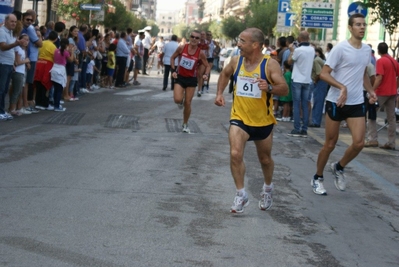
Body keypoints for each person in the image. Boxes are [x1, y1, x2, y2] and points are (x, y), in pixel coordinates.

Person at [214, 28, 288, 213]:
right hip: (239, 118)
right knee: (235, 153)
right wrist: (219, 93)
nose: (238, 44)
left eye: (242, 41)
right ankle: (241, 194)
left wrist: (269, 86)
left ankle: (268, 188)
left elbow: (284, 89)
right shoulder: (236, 61)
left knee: (264, 159)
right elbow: (224, 74)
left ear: (255, 45)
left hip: (263, 121)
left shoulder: (270, 65)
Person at [311, 13, 377, 195]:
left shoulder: (366, 50)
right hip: (336, 101)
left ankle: (339, 167)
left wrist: (371, 91)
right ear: (350, 27)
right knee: (330, 144)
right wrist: (342, 87)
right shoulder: (340, 49)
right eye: (357, 24)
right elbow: (323, 74)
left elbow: (362, 73)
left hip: (356, 102)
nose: (361, 27)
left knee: (359, 143)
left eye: (363, 24)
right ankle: (318, 177)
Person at [170, 30, 210, 133]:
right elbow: (172, 58)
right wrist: (173, 70)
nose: (194, 39)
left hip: (191, 79)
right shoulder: (182, 48)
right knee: (177, 100)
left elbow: (207, 66)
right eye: (192, 37)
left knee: (188, 103)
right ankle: (180, 101)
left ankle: (185, 123)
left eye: (197, 38)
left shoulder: (200, 53)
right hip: (180, 77)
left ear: (199, 40)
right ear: (189, 37)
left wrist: (205, 74)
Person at [364, 42, 398, 150]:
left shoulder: (381, 61)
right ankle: (391, 142)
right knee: (391, 118)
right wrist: (395, 87)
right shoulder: (394, 61)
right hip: (392, 92)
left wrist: (371, 90)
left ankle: (372, 139)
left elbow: (379, 78)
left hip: (381, 92)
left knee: (372, 114)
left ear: (378, 50)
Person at [287, 31, 315, 137]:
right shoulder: (312, 49)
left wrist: (291, 51)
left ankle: (297, 128)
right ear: (308, 38)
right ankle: (304, 129)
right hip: (307, 80)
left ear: (299, 38)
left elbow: (289, 61)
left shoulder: (298, 50)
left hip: (297, 79)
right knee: (305, 104)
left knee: (296, 104)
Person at [0, 14, 26, 121]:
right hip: (3, 64)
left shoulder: (11, 32)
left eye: (15, 22)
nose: (14, 23)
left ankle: (2, 110)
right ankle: (0, 111)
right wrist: (16, 44)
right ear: (5, 21)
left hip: (9, 64)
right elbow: (3, 47)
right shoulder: (2, 31)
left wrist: (13, 64)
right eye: (11, 21)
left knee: (5, 89)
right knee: (1, 89)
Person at [51, 38, 75, 111]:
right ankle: (57, 106)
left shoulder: (56, 50)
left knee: (56, 89)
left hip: (54, 68)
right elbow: (71, 60)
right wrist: (72, 52)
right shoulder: (65, 52)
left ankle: (56, 104)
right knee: (59, 89)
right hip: (60, 70)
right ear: (67, 45)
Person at [309, 48, 329, 127]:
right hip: (322, 81)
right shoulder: (318, 59)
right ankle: (315, 120)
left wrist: (315, 81)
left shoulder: (316, 60)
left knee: (318, 102)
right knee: (318, 102)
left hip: (320, 82)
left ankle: (316, 121)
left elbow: (319, 73)